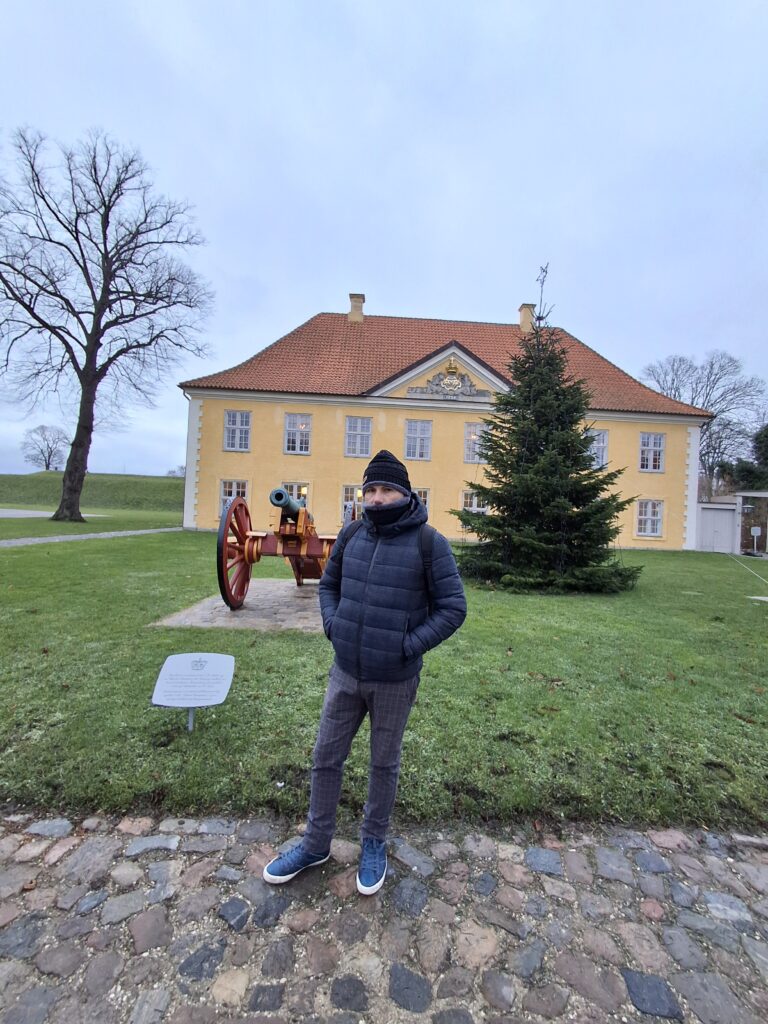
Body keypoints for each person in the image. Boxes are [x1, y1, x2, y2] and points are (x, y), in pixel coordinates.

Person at [263, 450, 467, 895]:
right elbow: (329, 585)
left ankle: (373, 841)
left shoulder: (429, 544)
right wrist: (333, 626)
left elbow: (454, 608)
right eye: (370, 489)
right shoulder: (353, 533)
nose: (376, 498)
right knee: (325, 758)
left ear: (405, 493)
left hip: (395, 678)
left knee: (382, 763)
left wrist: (407, 645)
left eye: (386, 489)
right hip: (345, 673)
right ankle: (316, 843)